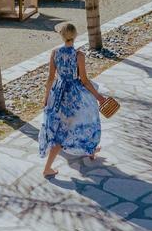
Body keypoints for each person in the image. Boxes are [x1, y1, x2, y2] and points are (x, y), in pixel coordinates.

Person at [39, 22, 104, 177]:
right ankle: (47, 168)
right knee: (84, 120)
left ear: (62, 36)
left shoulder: (55, 53)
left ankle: (90, 149)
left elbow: (50, 79)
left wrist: (46, 98)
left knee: (62, 126)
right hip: (74, 94)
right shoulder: (78, 55)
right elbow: (85, 81)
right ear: (75, 36)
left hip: (58, 92)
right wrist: (98, 97)